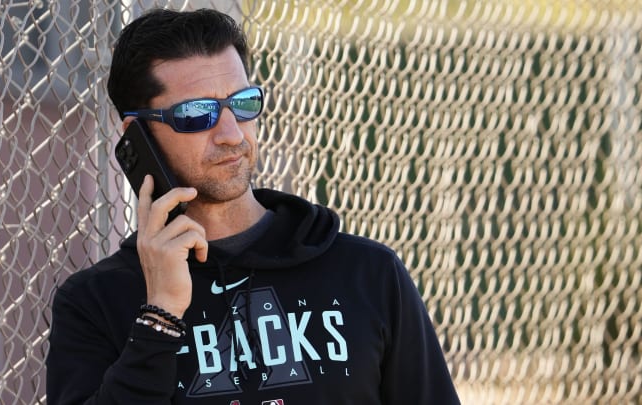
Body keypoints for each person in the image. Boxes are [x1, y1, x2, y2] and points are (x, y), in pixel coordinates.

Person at [45, 8, 460, 405]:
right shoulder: (95, 303)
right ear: (137, 137)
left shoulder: (366, 274)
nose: (231, 134)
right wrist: (160, 316)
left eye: (242, 103)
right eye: (196, 114)